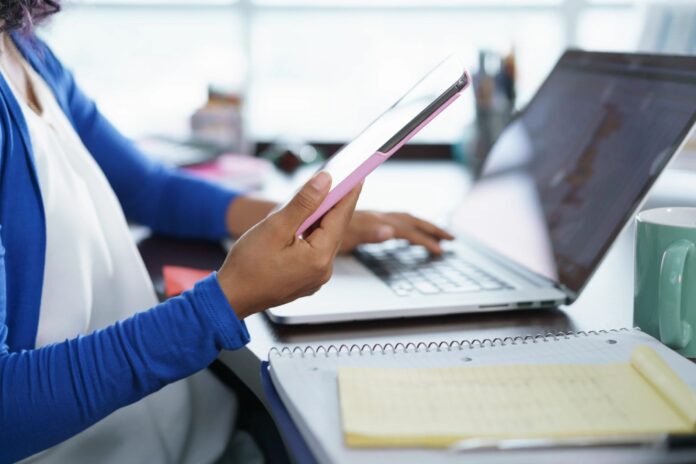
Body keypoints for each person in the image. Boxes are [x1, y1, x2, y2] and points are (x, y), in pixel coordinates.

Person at [0, 2, 454, 463]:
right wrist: (228, 298)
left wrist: (303, 215)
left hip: (180, 424)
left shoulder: (23, 49)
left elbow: (149, 188)